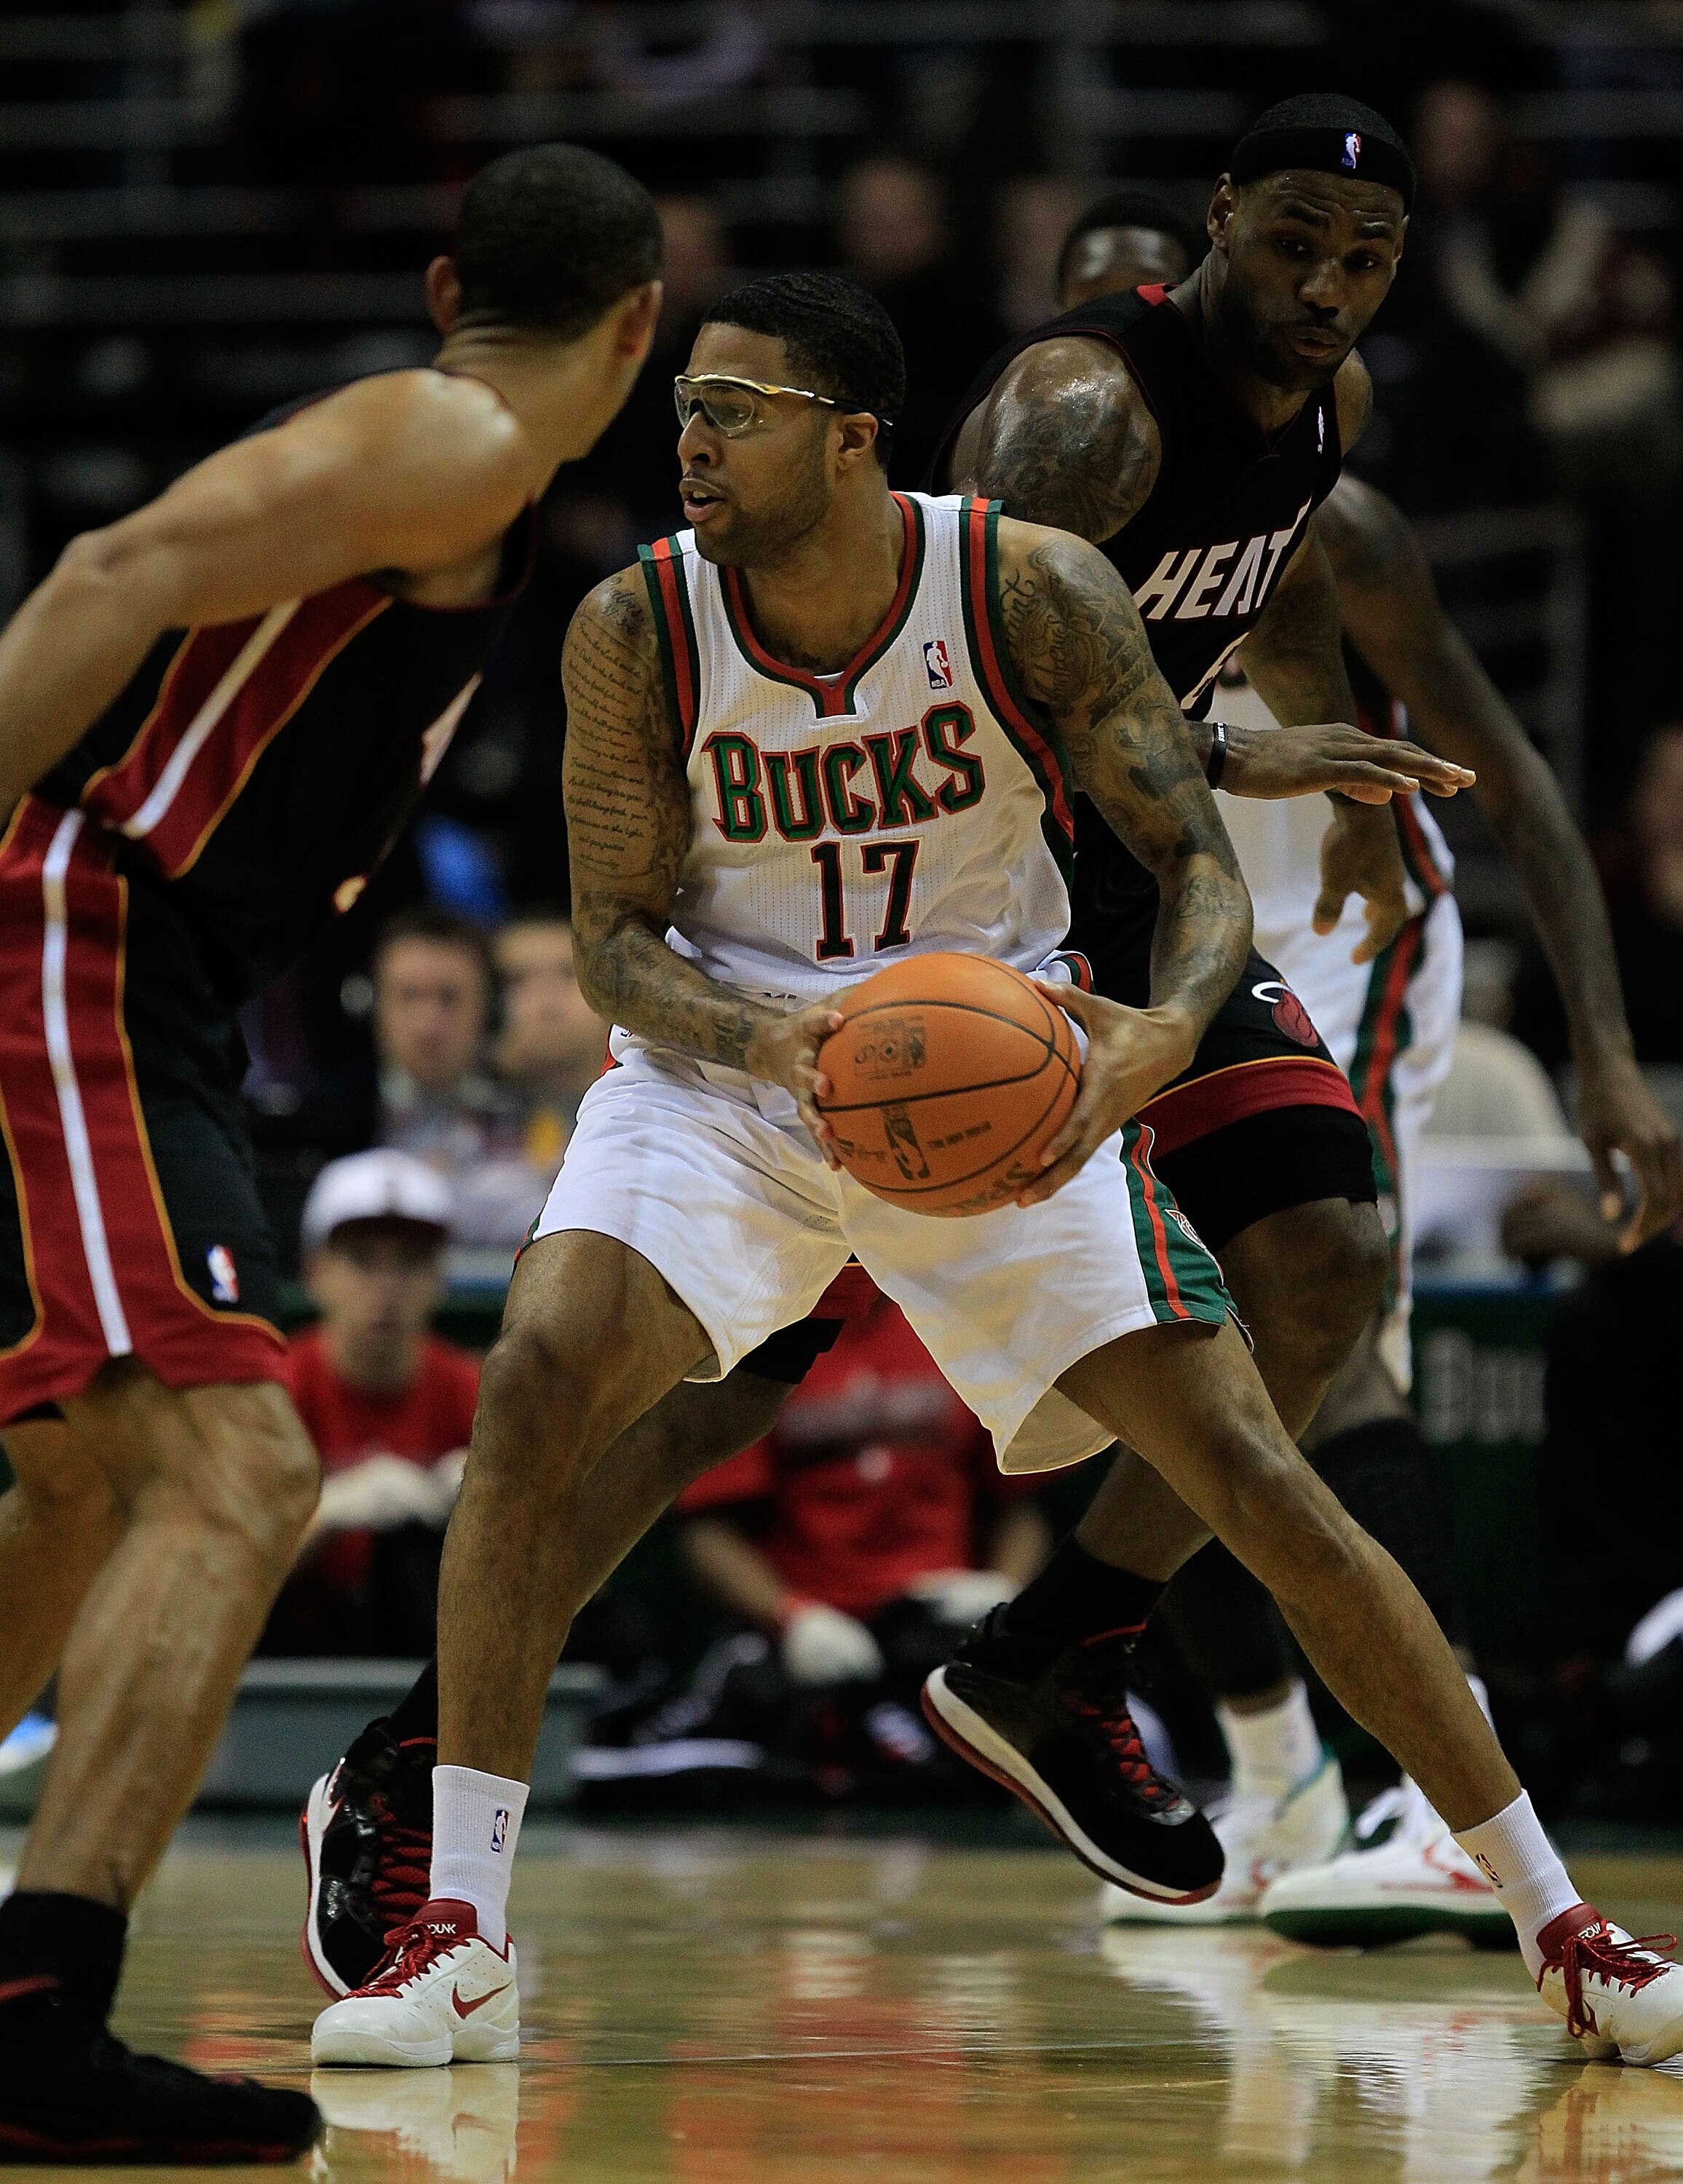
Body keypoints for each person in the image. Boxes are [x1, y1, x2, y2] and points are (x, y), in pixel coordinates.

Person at [309, 266, 1682, 2071]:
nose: (693, 443)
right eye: (685, 414)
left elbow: (1192, 866)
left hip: (995, 1065)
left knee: (1258, 1469)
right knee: (547, 1373)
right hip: (734, 1069)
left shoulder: (1024, 587)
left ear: (853, 437)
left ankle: (1557, 1918)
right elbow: (616, 945)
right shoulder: (633, 623)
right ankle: (461, 1923)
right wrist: (762, 1043)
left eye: (735, 411)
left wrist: (1153, 1034)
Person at [0, 141, 662, 2162]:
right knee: (240, 1463)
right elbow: (108, 574)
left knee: (78, 1506)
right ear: (638, 326)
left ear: (458, 272)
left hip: (151, 976)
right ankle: (32, 2026)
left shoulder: (479, 487)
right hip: (80, 924)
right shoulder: (449, 439)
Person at [1048, 189, 1683, 1939]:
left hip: (1329, 942)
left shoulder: (1322, 518)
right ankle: (1274, 1784)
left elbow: (1521, 785)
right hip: (1123, 936)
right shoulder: (1024, 517)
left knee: (1318, 1334)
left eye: (1141, 314)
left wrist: (1610, 1062)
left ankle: (1440, 1793)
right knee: (1130, 1369)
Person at [264, 1152, 477, 1663]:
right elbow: (224, 1575)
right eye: (362, 1260)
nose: (386, 1288)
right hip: (295, 1667)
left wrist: (490, 1510)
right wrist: (327, 1515)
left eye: (410, 1263)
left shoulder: (476, 1391)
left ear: (438, 1279)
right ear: (314, 1272)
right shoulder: (276, 1391)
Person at [491, 910, 608, 1176]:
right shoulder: (453, 1138)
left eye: (569, 974)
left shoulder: (648, 1121)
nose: (546, 1003)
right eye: (519, 980)